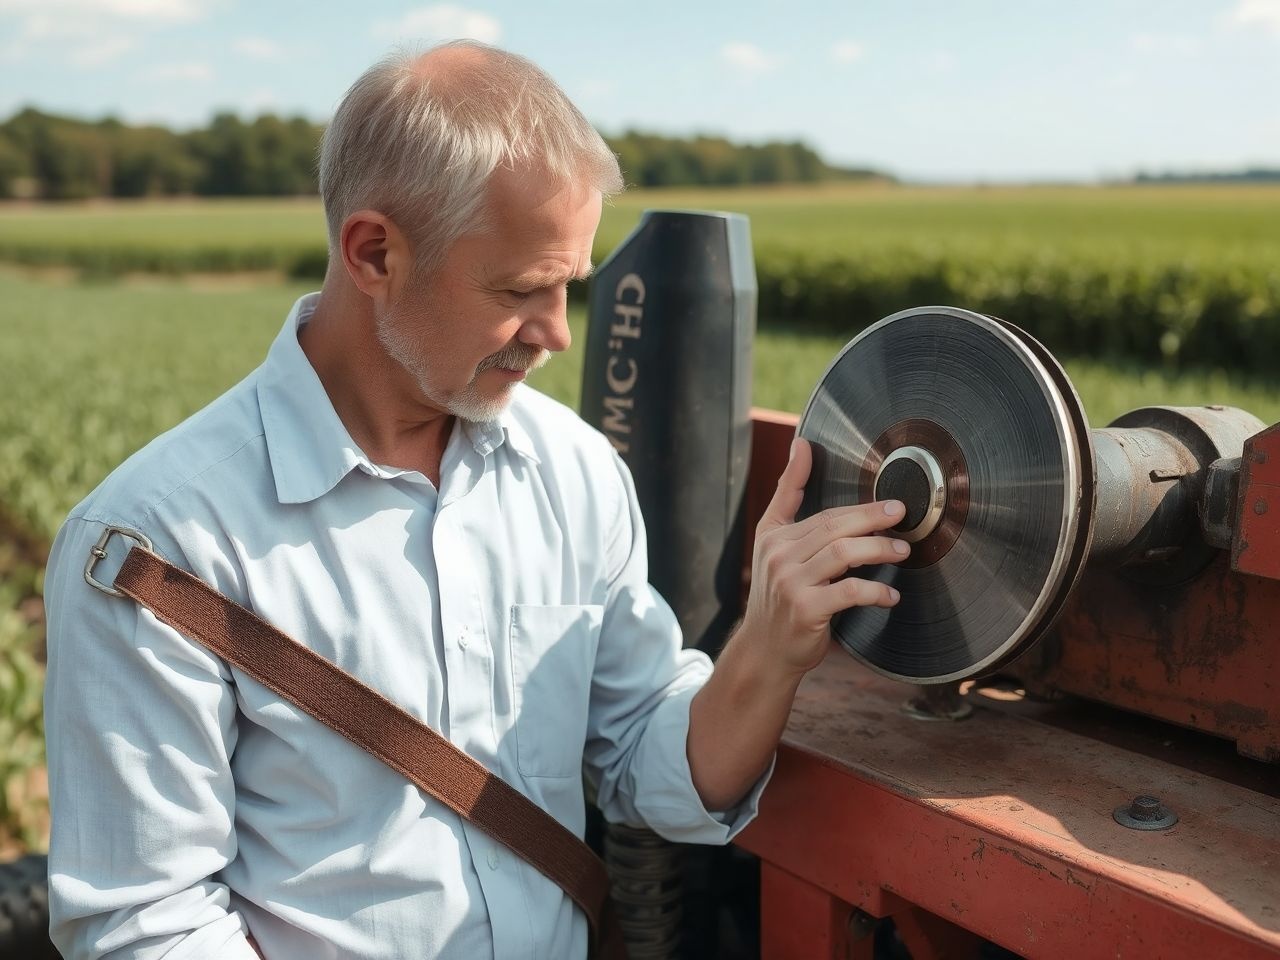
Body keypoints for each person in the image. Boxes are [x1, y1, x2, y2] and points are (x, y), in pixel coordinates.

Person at [42, 40, 909, 959]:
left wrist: (769, 650)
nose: (558, 334)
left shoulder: (576, 472)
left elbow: (646, 762)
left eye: (569, 286)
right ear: (374, 252)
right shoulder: (159, 538)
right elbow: (146, 922)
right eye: (522, 289)